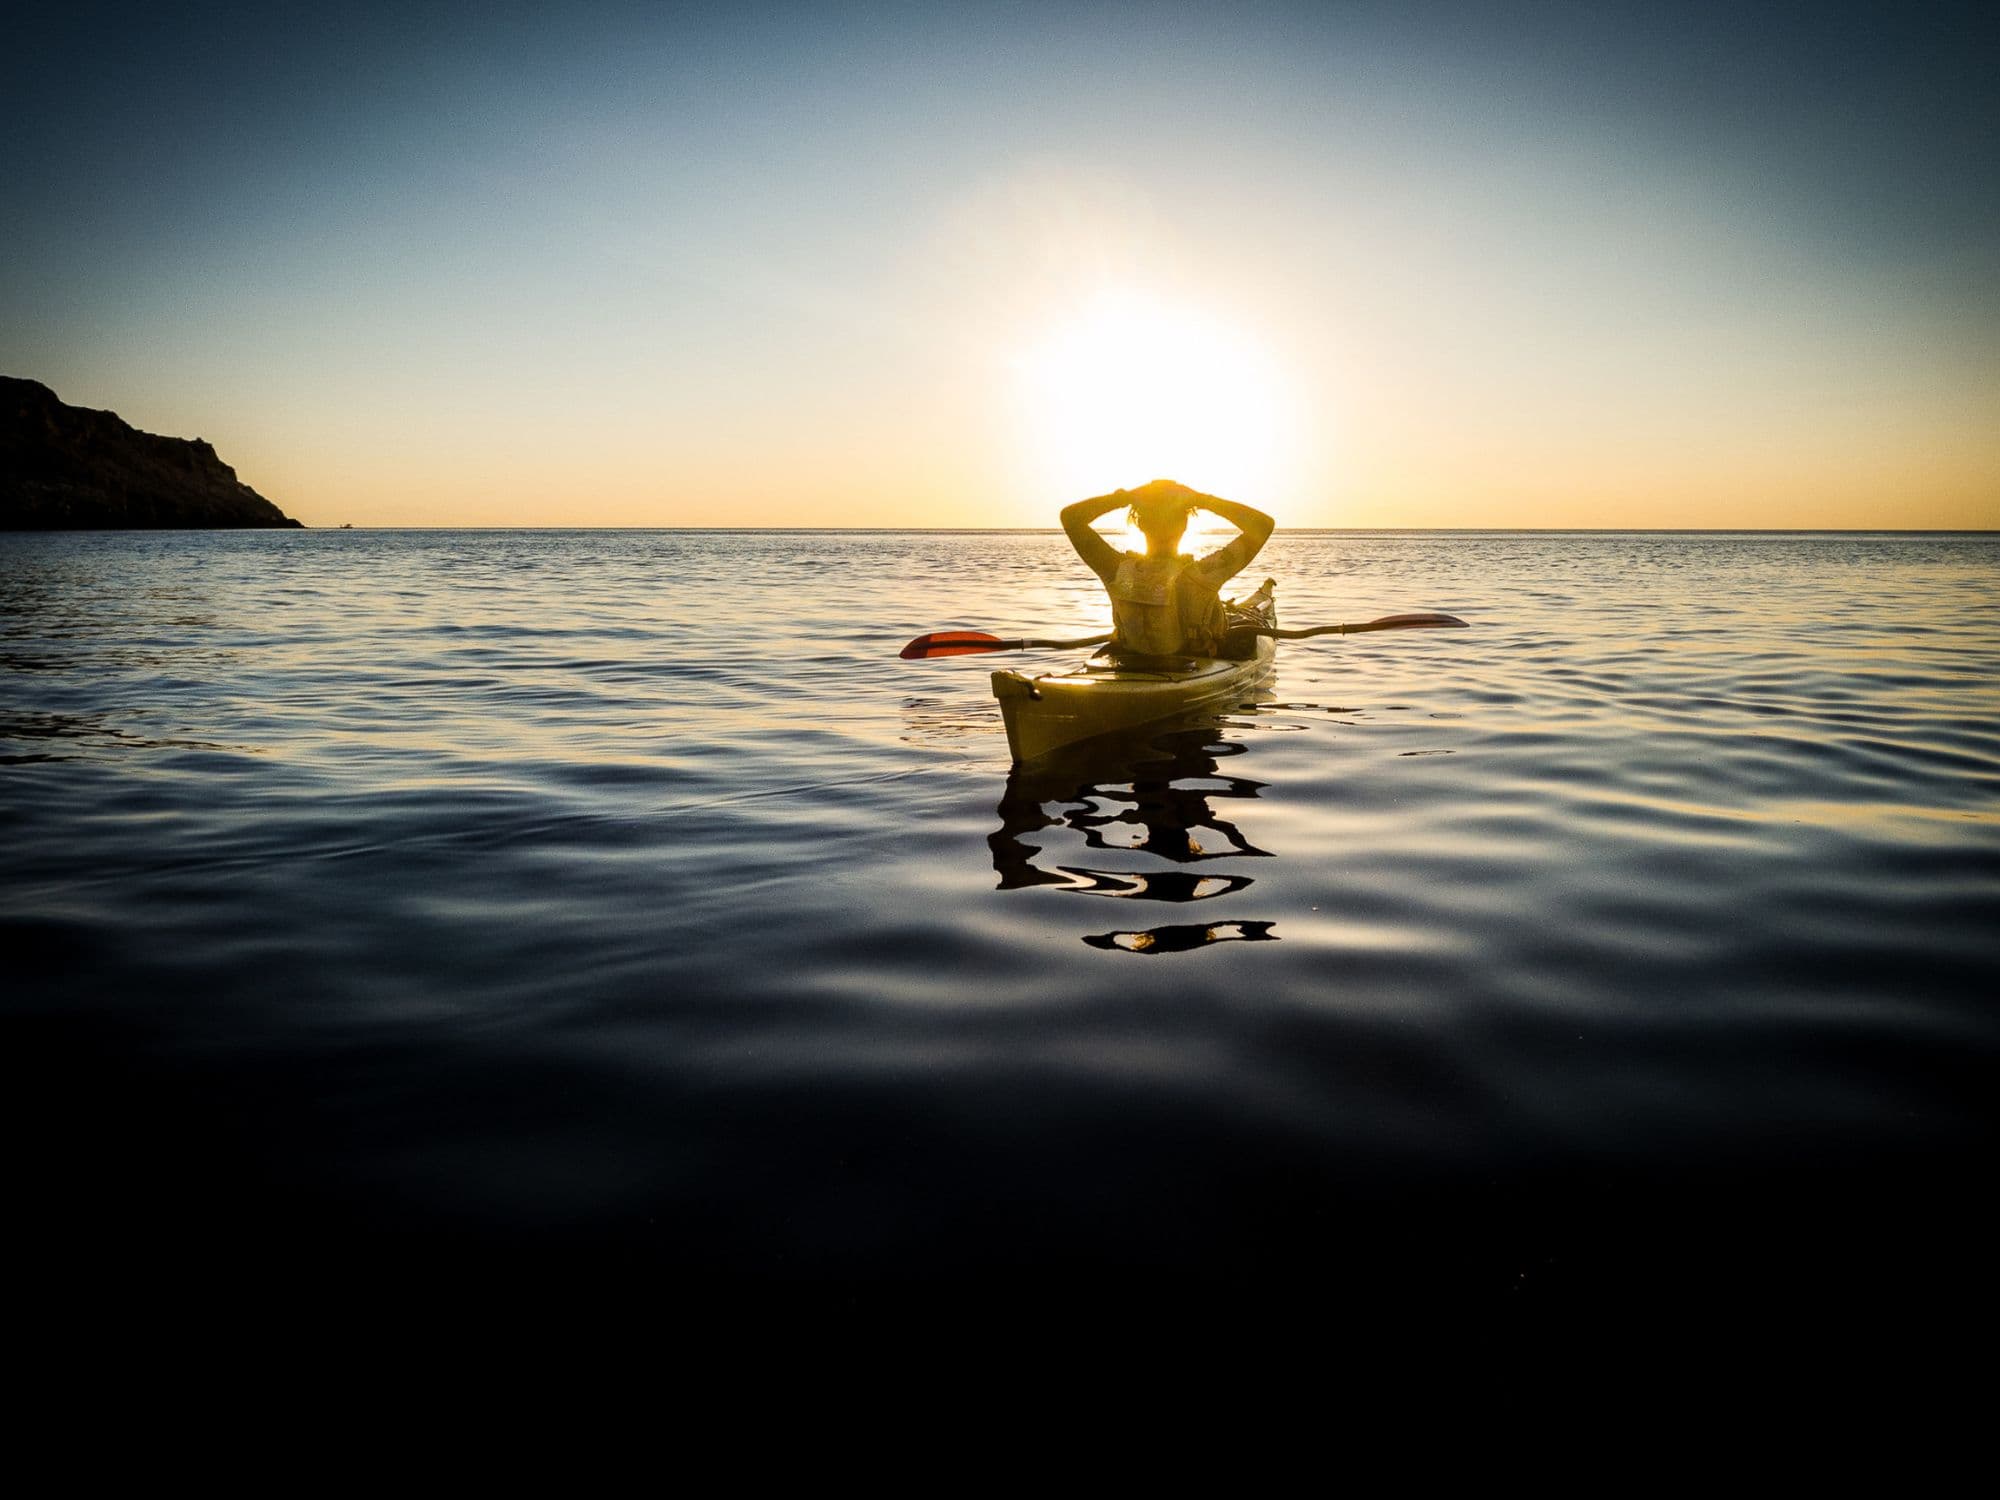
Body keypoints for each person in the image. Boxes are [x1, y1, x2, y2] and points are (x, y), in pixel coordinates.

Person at [1060, 478, 1274, 660]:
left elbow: (1070, 518)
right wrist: (1202, 499)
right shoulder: (1204, 574)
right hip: (1193, 665)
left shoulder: (1114, 568)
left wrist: (1125, 497)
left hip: (1130, 661)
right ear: (1184, 525)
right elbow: (1263, 525)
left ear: (1140, 524)